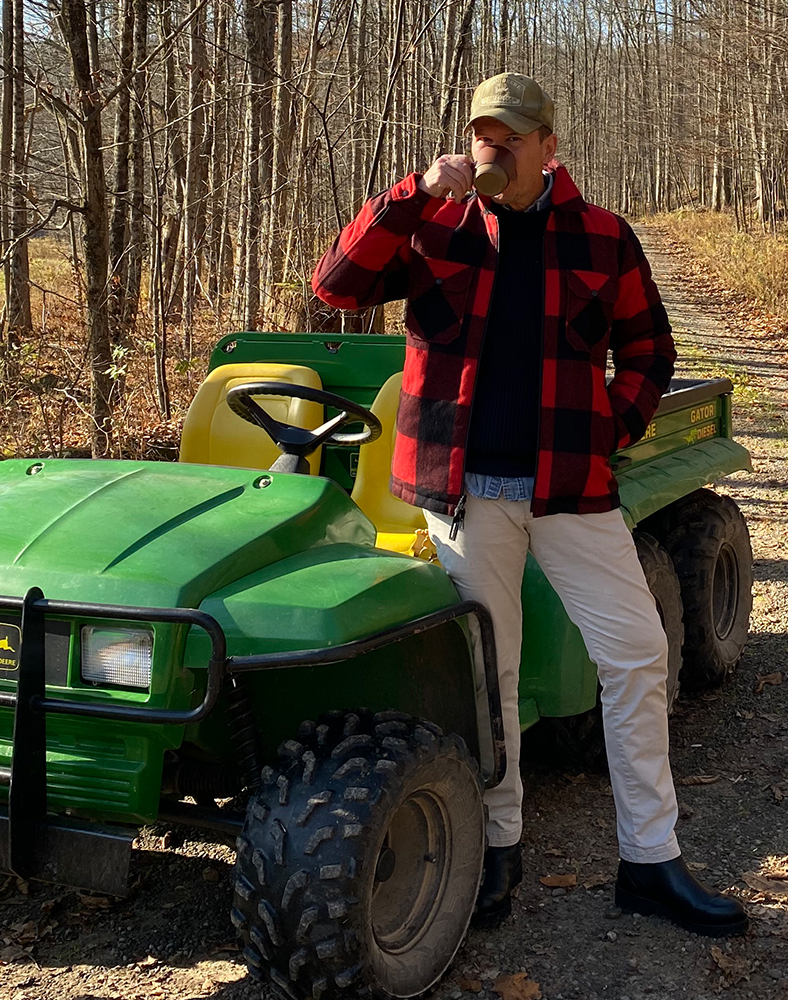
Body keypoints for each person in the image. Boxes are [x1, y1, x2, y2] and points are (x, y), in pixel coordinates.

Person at [312, 72, 746, 938]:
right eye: (482, 134)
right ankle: (498, 849)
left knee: (635, 654)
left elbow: (650, 352)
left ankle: (651, 861)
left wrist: (608, 430)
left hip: (569, 490)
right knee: (490, 672)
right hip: (463, 494)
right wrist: (409, 192)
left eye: (510, 136)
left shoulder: (600, 236)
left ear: (549, 147)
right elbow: (337, 285)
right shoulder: (431, 226)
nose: (492, 150)